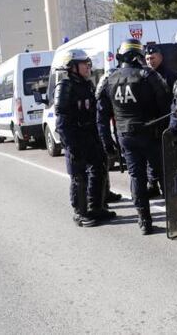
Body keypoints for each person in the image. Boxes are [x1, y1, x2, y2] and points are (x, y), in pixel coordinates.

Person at [97, 38, 171, 235]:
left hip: (125, 136)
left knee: (136, 177)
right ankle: (174, 218)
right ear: (138, 54)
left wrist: (107, 142)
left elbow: (101, 115)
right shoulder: (148, 75)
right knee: (163, 174)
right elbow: (165, 103)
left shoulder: (108, 78)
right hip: (151, 133)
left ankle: (144, 221)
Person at [54, 49, 116, 227]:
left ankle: (96, 207)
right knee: (79, 176)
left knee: (98, 169)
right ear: (73, 67)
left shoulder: (87, 84)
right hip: (76, 138)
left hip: (90, 136)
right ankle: (80, 213)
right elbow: (62, 121)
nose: (88, 67)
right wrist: (71, 146)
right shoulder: (65, 86)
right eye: (84, 64)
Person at [144, 44, 177, 198]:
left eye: (152, 58)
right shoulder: (143, 75)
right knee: (152, 158)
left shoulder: (170, 76)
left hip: (166, 122)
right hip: (151, 124)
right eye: (147, 58)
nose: (149, 61)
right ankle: (152, 183)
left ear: (160, 57)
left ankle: (168, 189)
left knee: (167, 160)